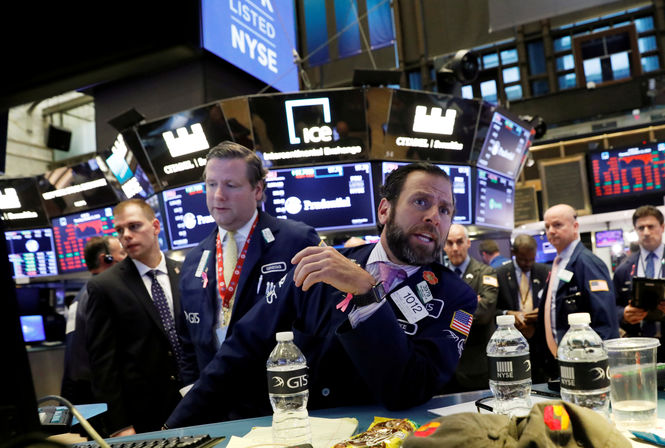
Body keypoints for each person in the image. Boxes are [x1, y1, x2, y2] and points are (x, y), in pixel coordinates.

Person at [165, 162, 477, 428]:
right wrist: (171, 430)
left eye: (445, 209)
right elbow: (241, 349)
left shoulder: (456, 297)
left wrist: (368, 293)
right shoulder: (321, 264)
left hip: (391, 437)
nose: (434, 217)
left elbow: (409, 389)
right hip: (309, 434)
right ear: (385, 210)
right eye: (421, 202)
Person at [178, 141, 320, 385]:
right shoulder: (193, 260)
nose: (218, 195)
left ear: (257, 190)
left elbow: (317, 325)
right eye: (211, 185)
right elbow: (189, 344)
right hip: (216, 403)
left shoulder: (296, 241)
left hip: (279, 395)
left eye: (231, 185)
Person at [84, 199, 186, 436]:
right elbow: (103, 364)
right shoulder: (105, 286)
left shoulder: (186, 272)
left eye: (134, 226)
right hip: (144, 414)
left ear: (156, 226)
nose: (126, 235)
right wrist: (119, 425)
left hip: (196, 402)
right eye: (120, 230)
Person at [536, 204, 618, 377]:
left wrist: (599, 365)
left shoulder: (588, 263)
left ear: (575, 227)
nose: (551, 231)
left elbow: (605, 320)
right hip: (563, 361)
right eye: (547, 226)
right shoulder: (559, 263)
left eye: (557, 225)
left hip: (587, 364)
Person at [61, 236, 126, 404]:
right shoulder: (100, 293)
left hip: (77, 384)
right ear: (105, 259)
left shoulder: (81, 294)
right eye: (122, 253)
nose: (126, 258)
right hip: (94, 387)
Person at [612, 205, 665, 362]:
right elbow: (612, 307)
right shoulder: (624, 268)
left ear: (662, 227)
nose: (646, 232)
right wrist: (623, 314)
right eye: (641, 228)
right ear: (635, 230)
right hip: (638, 344)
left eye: (651, 226)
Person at [443, 223, 498, 391]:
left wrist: (447, 311)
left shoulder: (486, 272)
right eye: (449, 243)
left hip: (476, 365)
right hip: (446, 366)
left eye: (459, 242)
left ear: (468, 243)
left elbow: (483, 313)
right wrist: (469, 303)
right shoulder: (437, 277)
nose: (455, 248)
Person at [496, 234, 549, 343]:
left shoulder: (544, 271)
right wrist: (506, 313)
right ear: (513, 252)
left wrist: (542, 311)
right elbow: (492, 310)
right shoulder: (500, 274)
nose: (528, 264)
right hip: (510, 337)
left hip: (539, 336)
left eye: (531, 259)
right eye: (523, 259)